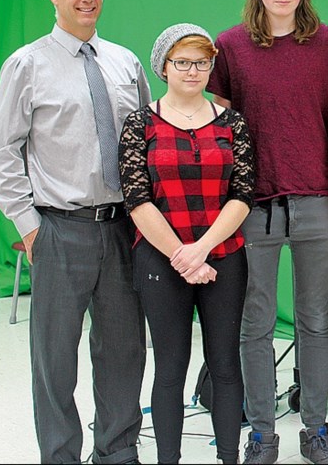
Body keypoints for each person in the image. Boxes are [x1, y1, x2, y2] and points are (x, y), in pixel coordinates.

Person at [0, 0, 149, 464]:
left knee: (124, 352)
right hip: (59, 231)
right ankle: (60, 456)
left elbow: (146, 142)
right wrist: (29, 226)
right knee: (55, 360)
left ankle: (118, 451)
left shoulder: (125, 62)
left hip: (124, 229)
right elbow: (2, 151)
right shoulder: (27, 64)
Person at [207, 0, 328, 465]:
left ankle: (316, 431)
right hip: (253, 206)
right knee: (258, 323)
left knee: (316, 321)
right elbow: (219, 132)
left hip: (317, 201)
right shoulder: (228, 47)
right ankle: (262, 436)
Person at [118, 23, 255, 463]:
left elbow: (243, 194)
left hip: (224, 258)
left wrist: (202, 249)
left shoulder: (232, 123)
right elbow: (137, 200)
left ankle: (230, 456)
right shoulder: (140, 123)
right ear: (163, 66)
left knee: (226, 365)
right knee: (170, 369)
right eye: (182, 62)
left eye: (201, 62)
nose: (193, 71)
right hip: (160, 260)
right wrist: (183, 255)